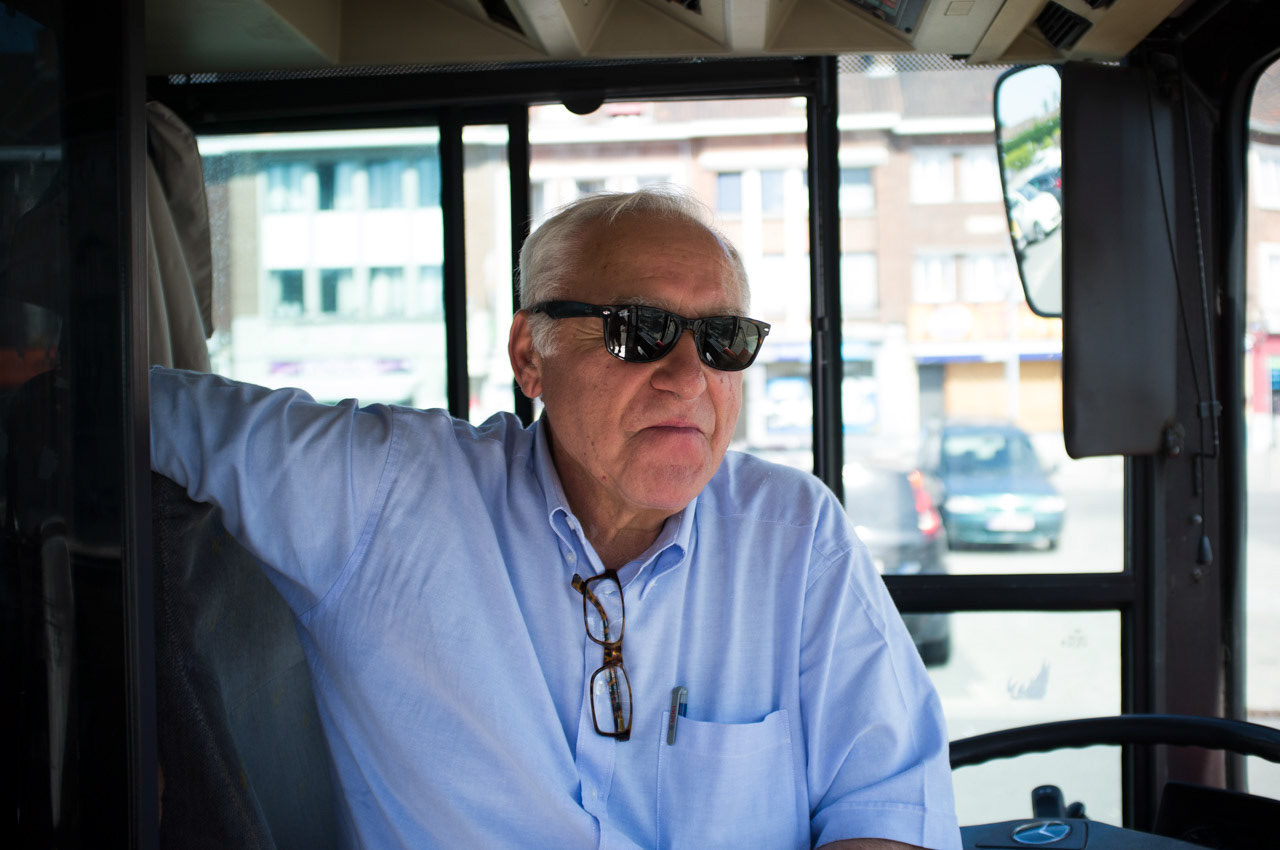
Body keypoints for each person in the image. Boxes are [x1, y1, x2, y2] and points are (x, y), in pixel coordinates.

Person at [150, 187, 961, 849]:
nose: (689, 376)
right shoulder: (387, 496)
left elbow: (890, 808)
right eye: (641, 331)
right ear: (529, 356)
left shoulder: (795, 536)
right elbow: (140, 406)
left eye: (723, 340)